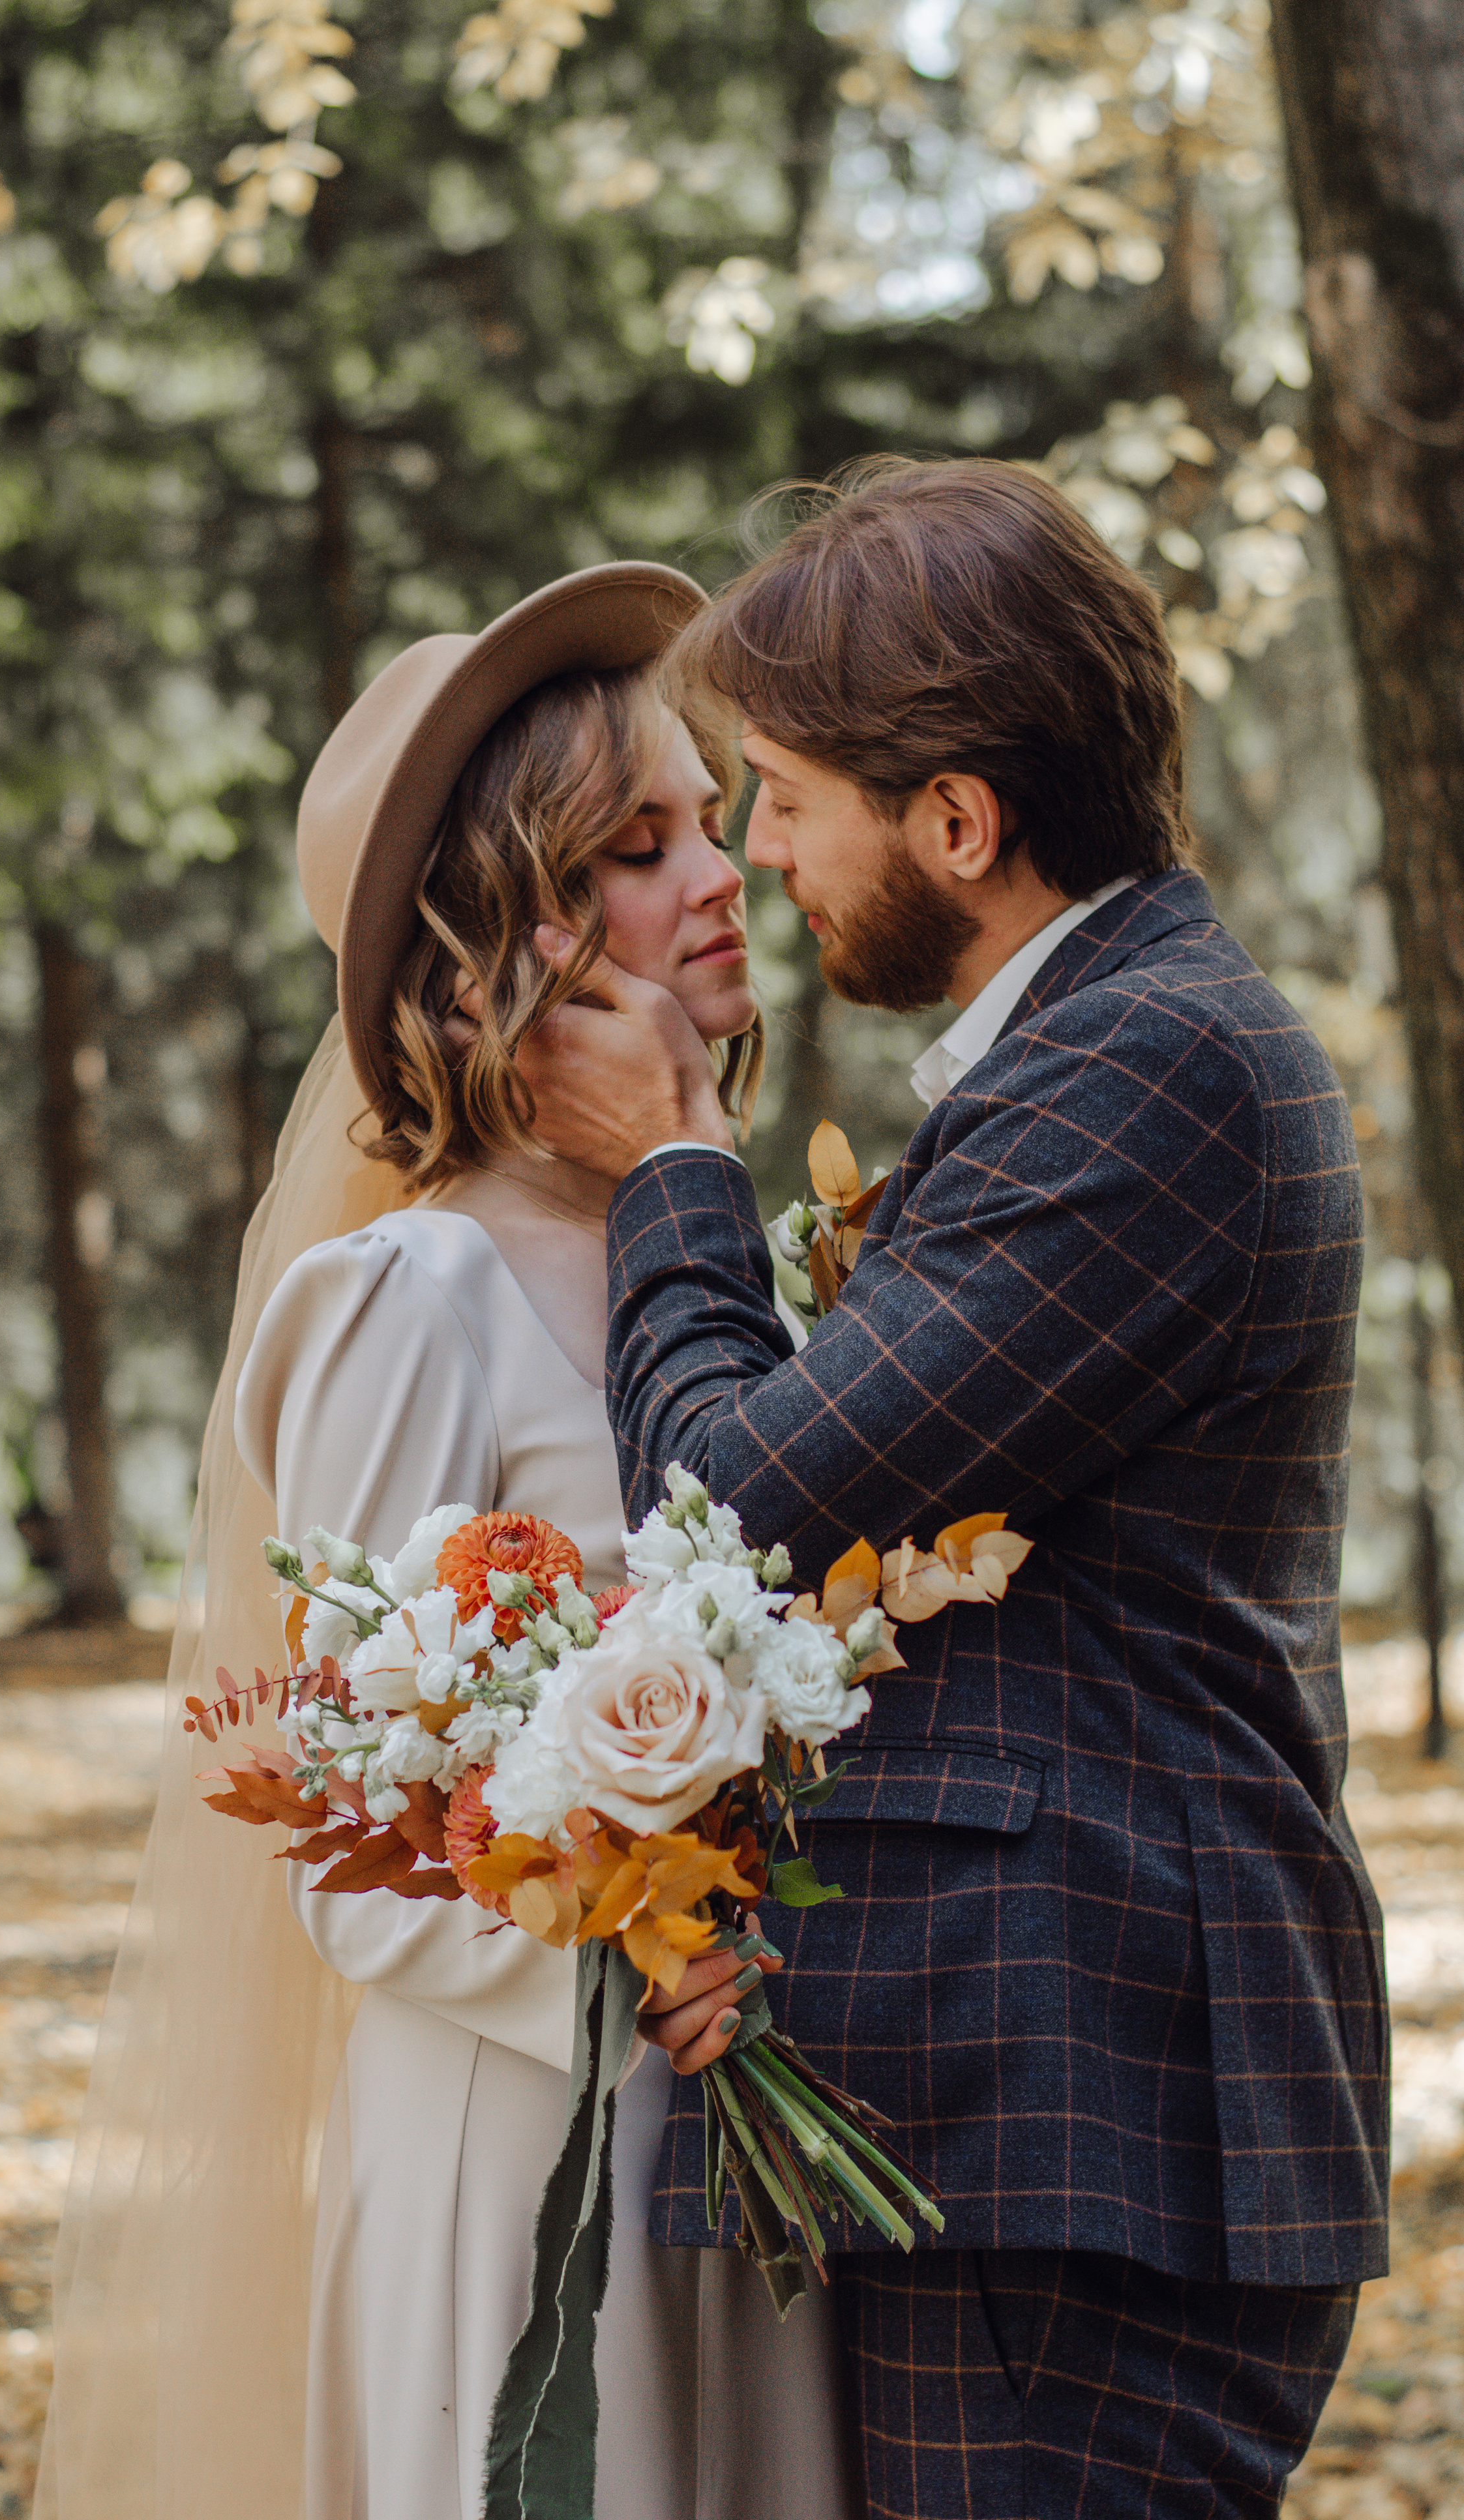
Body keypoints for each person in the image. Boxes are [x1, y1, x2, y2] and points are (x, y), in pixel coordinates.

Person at [515, 464, 1391, 2519]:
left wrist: (672, 1163)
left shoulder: (1149, 1072)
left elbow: (733, 1503)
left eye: (781, 796)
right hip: (1049, 2109)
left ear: (960, 822)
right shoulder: (1104, 1049)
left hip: (1085, 2107)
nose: (761, 856)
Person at [33, 563, 857, 2520]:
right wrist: (635, 1952)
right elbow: (351, 1839)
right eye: (639, 848)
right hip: (526, 2165)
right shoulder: (405, 1298)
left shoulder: (732, 1271)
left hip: (742, 2147)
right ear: (504, 942)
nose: (722, 875)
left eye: (709, 819)